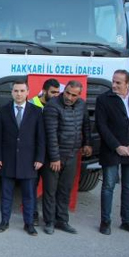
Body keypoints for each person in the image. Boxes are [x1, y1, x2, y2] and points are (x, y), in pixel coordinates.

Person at [95, 69, 129, 236]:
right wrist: (117, 146)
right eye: (113, 81)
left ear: (128, 83)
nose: (114, 85)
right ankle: (105, 221)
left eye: (118, 82)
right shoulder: (104, 99)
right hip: (112, 150)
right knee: (108, 186)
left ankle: (127, 221)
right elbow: (102, 126)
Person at [0, 79, 45, 236]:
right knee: (6, 194)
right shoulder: (4, 110)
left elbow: (41, 138)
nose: (19, 94)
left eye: (22, 91)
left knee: (29, 195)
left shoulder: (36, 111)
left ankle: (29, 224)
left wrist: (40, 158)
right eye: (16, 91)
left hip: (29, 161)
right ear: (12, 92)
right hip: (7, 160)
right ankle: (4, 221)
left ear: (28, 92)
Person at [40, 80, 91, 235]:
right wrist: (55, 158)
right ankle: (49, 221)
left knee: (65, 189)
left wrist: (87, 143)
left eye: (74, 95)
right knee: (50, 190)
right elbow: (51, 134)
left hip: (72, 154)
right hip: (54, 156)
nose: (69, 97)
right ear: (65, 90)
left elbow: (86, 125)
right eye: (68, 93)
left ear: (79, 95)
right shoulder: (52, 106)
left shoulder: (82, 105)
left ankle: (62, 220)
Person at [28, 77, 60, 226]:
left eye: (58, 92)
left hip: (50, 153)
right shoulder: (30, 104)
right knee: (31, 186)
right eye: (53, 92)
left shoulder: (58, 106)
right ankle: (33, 215)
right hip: (33, 153)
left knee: (50, 188)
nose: (56, 95)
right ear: (45, 91)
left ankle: (50, 219)